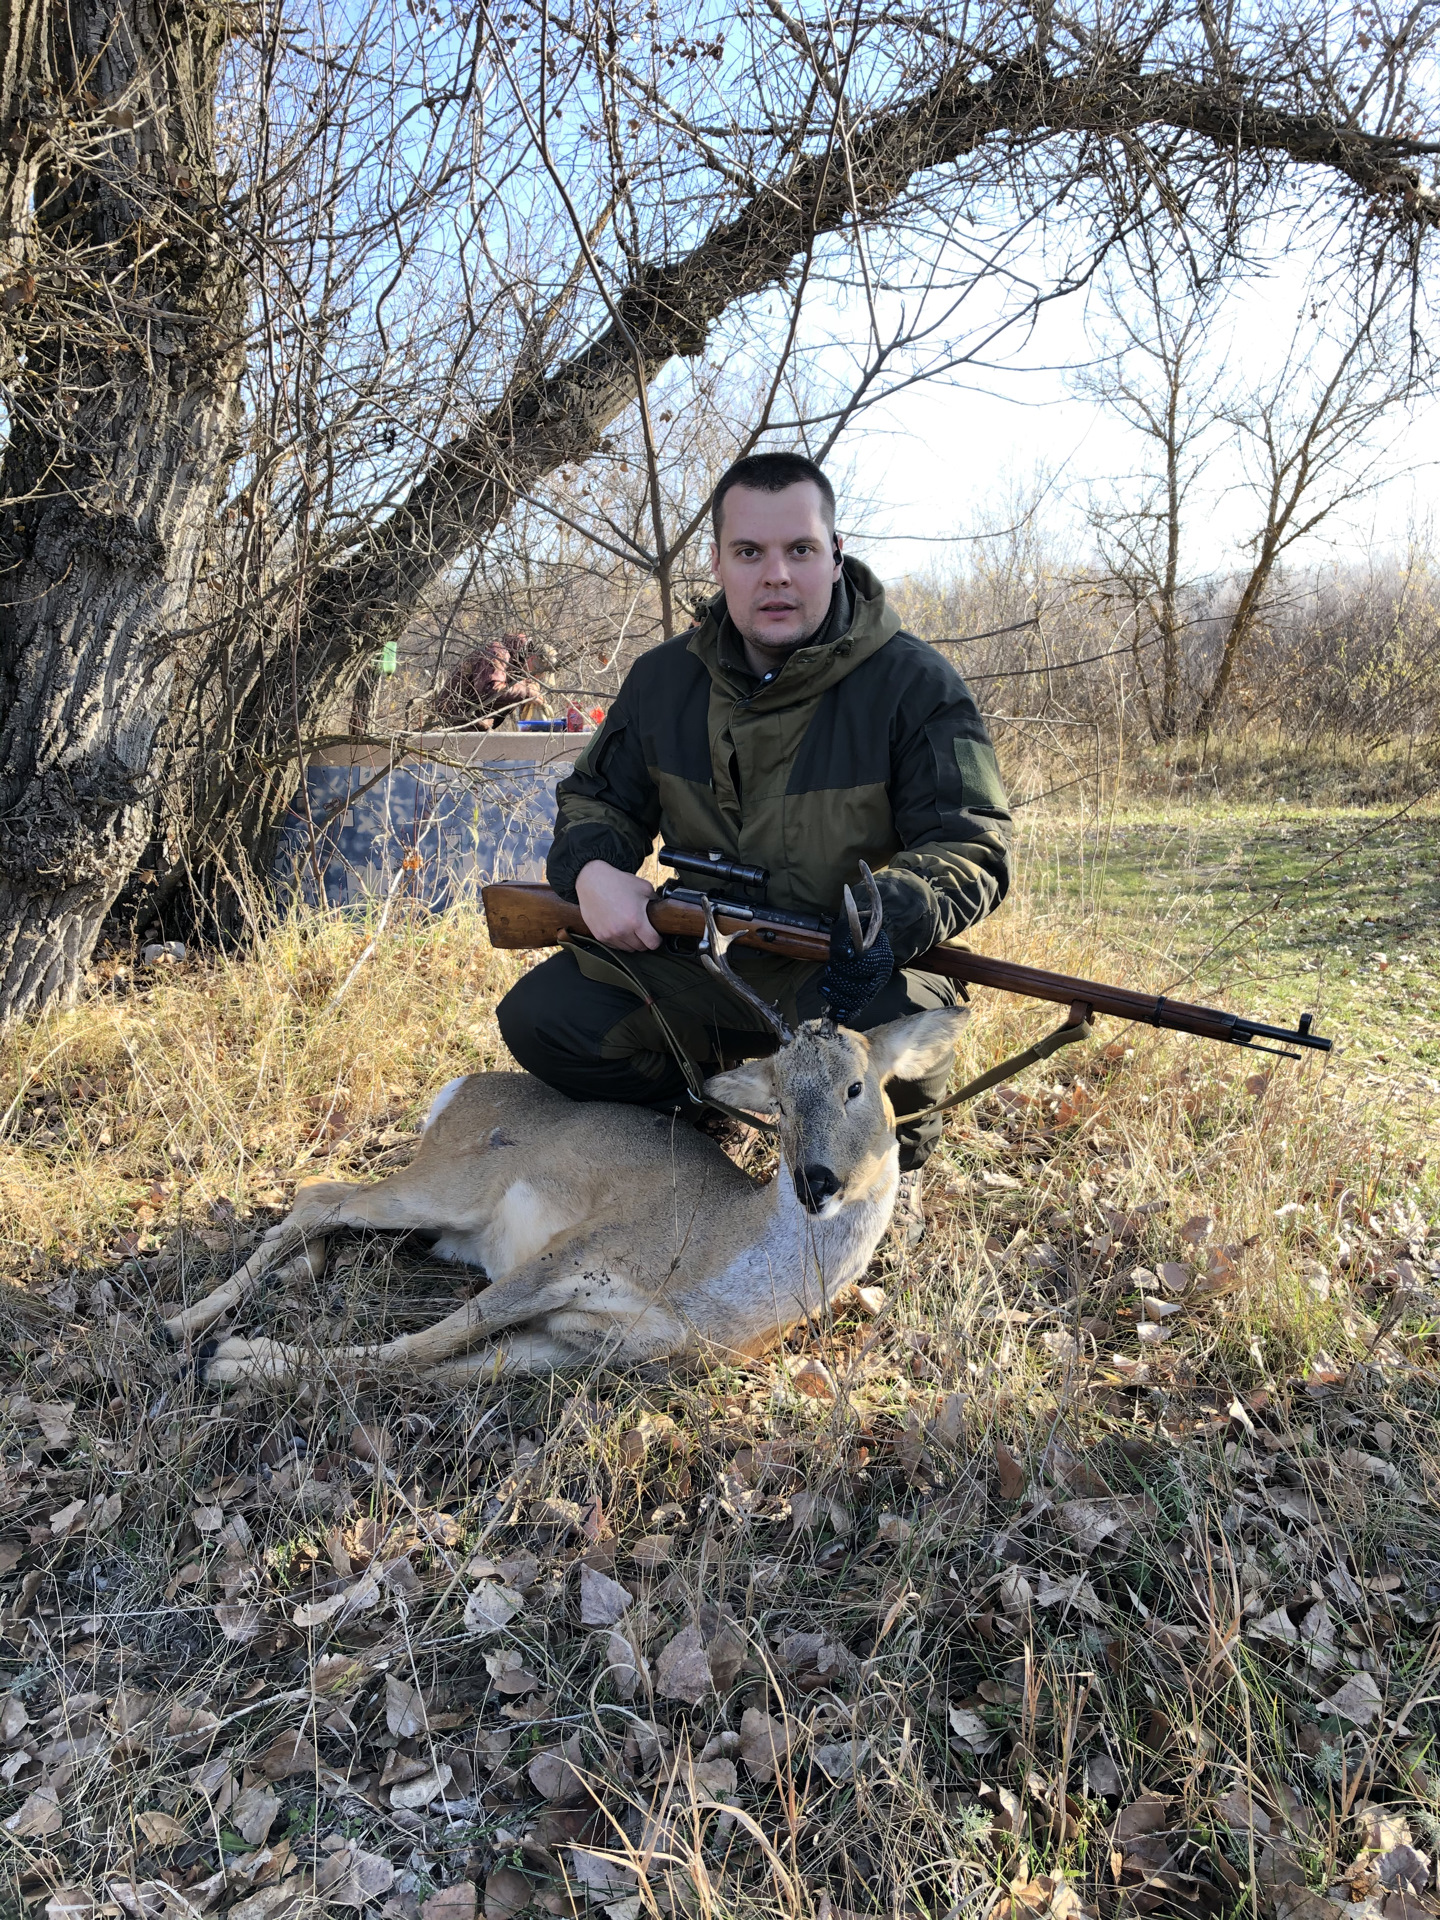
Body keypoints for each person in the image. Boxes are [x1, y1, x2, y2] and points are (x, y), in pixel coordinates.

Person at [496, 451, 1012, 1240]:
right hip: (705, 962)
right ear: (719, 563)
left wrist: (890, 912)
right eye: (751, 553)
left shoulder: (915, 684)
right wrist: (595, 869)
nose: (777, 575)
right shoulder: (664, 679)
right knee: (545, 1017)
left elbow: (971, 842)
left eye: (800, 550)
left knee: (905, 1038)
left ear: (835, 554)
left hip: (839, 977)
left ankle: (875, 1183)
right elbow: (599, 796)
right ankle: (693, 1129)